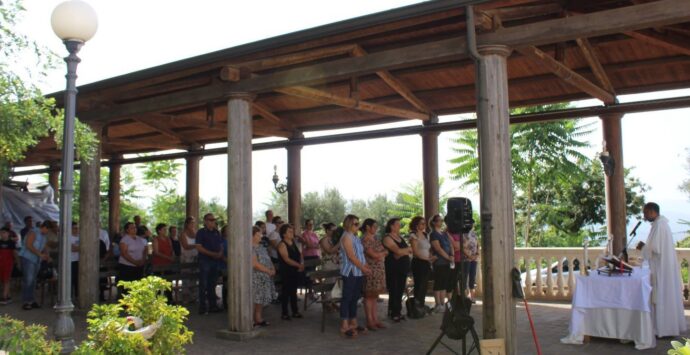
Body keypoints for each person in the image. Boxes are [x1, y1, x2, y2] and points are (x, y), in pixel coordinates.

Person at [636, 202, 687, 337]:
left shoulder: (659, 225)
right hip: (663, 266)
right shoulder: (661, 224)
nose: (644, 216)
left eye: (646, 213)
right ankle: (665, 327)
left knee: (662, 296)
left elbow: (656, 249)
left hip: (661, 269)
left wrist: (642, 247)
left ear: (653, 212)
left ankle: (664, 329)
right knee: (664, 296)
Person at [339, 214, 371, 337]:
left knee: (355, 297)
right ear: (348, 224)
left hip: (358, 272)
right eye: (355, 224)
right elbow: (351, 257)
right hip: (350, 271)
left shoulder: (355, 237)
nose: (358, 226)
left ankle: (353, 322)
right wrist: (363, 268)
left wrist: (366, 266)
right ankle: (344, 325)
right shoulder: (346, 237)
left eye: (358, 223)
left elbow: (360, 255)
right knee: (347, 297)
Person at [383, 218, 411, 322]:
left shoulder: (400, 237)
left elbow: (407, 250)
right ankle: (393, 312)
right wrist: (405, 251)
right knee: (394, 289)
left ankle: (397, 311)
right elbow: (397, 252)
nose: (400, 226)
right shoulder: (387, 238)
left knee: (400, 290)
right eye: (398, 224)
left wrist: (403, 251)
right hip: (393, 268)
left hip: (402, 268)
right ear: (392, 226)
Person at [360, 218, 387, 331]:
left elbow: (383, 252)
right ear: (367, 227)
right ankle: (369, 320)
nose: (376, 229)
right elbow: (374, 255)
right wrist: (382, 254)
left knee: (375, 296)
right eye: (374, 227)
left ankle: (375, 319)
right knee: (369, 296)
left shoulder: (375, 238)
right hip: (370, 270)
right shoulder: (365, 240)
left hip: (379, 269)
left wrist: (381, 254)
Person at [19, 221, 51, 310]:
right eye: (48, 230)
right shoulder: (33, 232)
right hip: (27, 258)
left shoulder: (44, 236)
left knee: (33, 281)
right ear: (45, 227)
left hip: (36, 260)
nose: (48, 232)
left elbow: (44, 247)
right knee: (28, 280)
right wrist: (40, 254)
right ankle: (26, 302)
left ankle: (31, 300)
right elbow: (29, 245)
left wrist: (47, 255)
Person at [196, 213, 224, 314]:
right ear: (205, 221)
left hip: (215, 261)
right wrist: (212, 254)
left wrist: (220, 253)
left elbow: (221, 245)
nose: (213, 221)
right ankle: (202, 307)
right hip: (205, 261)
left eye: (213, 220)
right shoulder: (201, 232)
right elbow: (199, 247)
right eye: (210, 220)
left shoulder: (217, 232)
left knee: (212, 285)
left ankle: (213, 306)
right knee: (203, 285)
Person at [277, 223, 304, 320]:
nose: (292, 233)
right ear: (284, 234)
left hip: (294, 270)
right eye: (289, 231)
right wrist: (298, 265)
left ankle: (295, 311)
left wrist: (301, 263)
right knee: (286, 292)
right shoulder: (282, 244)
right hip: (286, 271)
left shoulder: (293, 242)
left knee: (293, 292)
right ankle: (284, 313)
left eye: (292, 231)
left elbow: (299, 254)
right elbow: (286, 259)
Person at [251, 226, 275, 327]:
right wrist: (268, 271)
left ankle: (258, 319)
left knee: (260, 300)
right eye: (258, 234)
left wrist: (272, 268)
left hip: (264, 277)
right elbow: (254, 264)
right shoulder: (249, 248)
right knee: (254, 299)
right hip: (255, 277)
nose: (261, 236)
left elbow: (268, 259)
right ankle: (250, 320)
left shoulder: (261, 247)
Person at [429, 215, 454, 312]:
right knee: (438, 282)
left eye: (442, 220)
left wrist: (451, 255)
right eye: (439, 220)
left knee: (444, 283)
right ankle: (438, 304)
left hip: (447, 262)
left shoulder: (444, 233)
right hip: (439, 262)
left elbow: (450, 245)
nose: (441, 222)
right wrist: (448, 257)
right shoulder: (433, 234)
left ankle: (442, 303)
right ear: (434, 222)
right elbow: (438, 249)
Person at [409, 216, 433, 308]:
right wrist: (427, 259)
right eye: (422, 223)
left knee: (425, 285)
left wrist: (430, 256)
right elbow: (415, 252)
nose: (424, 225)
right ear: (416, 225)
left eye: (424, 223)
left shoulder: (425, 234)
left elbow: (429, 248)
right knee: (419, 284)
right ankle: (416, 305)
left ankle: (421, 304)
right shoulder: (413, 235)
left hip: (426, 262)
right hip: (418, 262)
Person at [118, 222, 148, 295]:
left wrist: (143, 260)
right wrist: (135, 262)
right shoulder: (124, 240)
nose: (134, 229)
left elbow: (145, 250)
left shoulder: (140, 239)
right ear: (127, 230)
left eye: (135, 227)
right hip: (127, 267)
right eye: (132, 228)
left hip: (139, 266)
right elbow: (124, 253)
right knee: (128, 288)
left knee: (138, 286)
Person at [300, 219, 321, 296]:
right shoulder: (304, 234)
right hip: (308, 256)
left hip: (315, 255)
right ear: (306, 225)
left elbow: (319, 245)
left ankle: (312, 291)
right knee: (310, 274)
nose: (311, 226)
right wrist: (314, 246)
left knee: (314, 274)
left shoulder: (314, 234)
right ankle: (310, 292)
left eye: (312, 224)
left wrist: (313, 246)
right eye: (309, 224)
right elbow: (308, 245)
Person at [0, 228, 19, 304]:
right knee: (3, 280)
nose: (2, 234)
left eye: (4, 232)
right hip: (1, 264)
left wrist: (18, 262)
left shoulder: (11, 243)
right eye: (1, 233)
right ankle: (7, 296)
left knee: (6, 280)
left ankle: (4, 297)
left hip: (8, 264)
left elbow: (15, 253)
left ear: (8, 233)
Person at [462, 221, 480, 302]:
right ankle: (465, 296)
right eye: (470, 223)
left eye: (472, 223)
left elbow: (478, 245)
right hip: (466, 259)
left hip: (474, 259)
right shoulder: (463, 233)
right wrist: (469, 256)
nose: (472, 225)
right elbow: (462, 246)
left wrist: (477, 254)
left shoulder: (474, 233)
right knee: (465, 277)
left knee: (472, 277)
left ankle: (472, 297)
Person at [70, 222, 80, 299]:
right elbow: (72, 249)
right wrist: (81, 248)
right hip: (71, 261)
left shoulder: (80, 237)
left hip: (79, 261)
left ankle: (77, 296)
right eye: (75, 228)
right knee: (71, 280)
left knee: (78, 280)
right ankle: (70, 297)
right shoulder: (69, 238)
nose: (76, 230)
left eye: (77, 228)